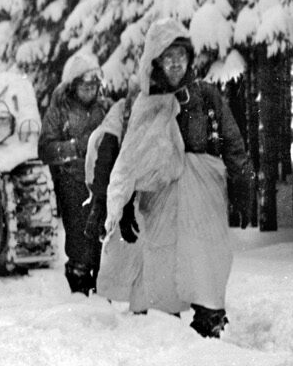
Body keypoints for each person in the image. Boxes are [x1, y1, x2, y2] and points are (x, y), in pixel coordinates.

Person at [97, 18, 253, 338]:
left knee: (205, 258)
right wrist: (125, 206)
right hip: (159, 198)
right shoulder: (142, 103)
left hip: (202, 194)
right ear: (156, 61)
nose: (176, 64)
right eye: (168, 58)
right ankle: (162, 328)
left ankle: (209, 320)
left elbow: (233, 143)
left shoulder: (206, 97)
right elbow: (130, 156)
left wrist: (242, 188)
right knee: (161, 260)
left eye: (181, 57)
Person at [40, 49, 112, 296]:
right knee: (80, 241)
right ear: (73, 85)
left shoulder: (105, 108)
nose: (90, 90)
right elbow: (46, 149)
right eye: (84, 85)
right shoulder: (59, 110)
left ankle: (102, 287)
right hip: (73, 184)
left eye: (94, 85)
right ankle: (79, 286)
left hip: (102, 184)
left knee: (103, 240)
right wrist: (75, 147)